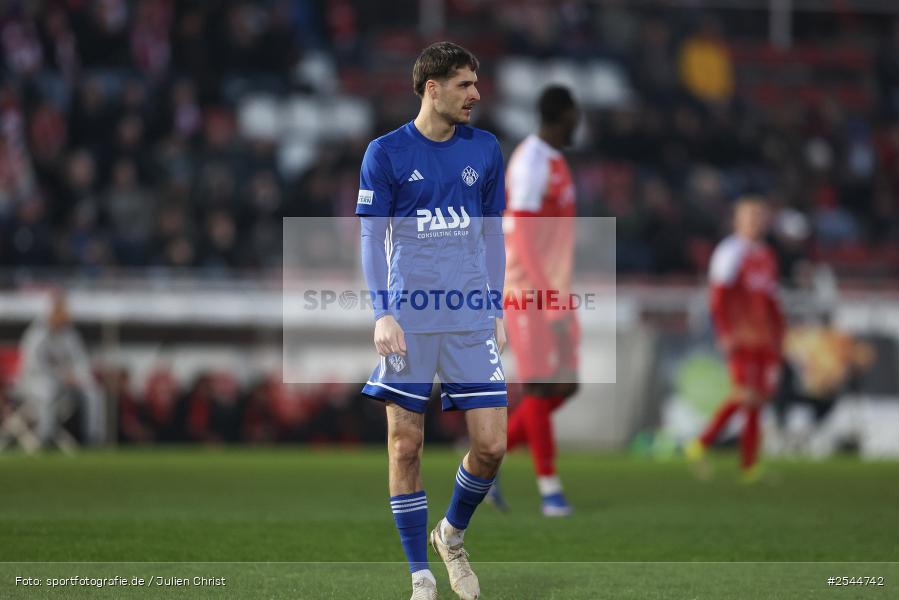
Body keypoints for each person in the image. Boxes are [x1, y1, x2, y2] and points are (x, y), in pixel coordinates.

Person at [356, 42, 507, 600]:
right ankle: (420, 572)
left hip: (468, 315)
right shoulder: (387, 152)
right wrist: (383, 312)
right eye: (465, 84)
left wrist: (494, 307)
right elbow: (372, 237)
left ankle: (453, 534)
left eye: (476, 82)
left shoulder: (486, 149)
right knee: (405, 443)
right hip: (411, 317)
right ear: (432, 88)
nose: (476, 93)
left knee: (492, 446)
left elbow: (494, 235)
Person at [487, 86, 580, 517]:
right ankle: (550, 490)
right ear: (563, 116)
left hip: (555, 285)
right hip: (528, 288)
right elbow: (521, 232)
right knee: (541, 385)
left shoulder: (556, 161)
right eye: (576, 116)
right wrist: (547, 294)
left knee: (566, 384)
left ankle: (487, 459)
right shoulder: (530, 162)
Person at [686, 197, 785, 482]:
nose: (755, 221)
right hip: (740, 334)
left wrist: (779, 333)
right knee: (746, 394)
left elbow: (771, 299)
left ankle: (749, 465)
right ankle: (701, 443)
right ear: (737, 220)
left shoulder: (766, 255)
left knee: (758, 399)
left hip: (763, 336)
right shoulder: (730, 251)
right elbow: (717, 296)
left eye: (760, 216)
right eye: (750, 216)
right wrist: (724, 331)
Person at [17, 292, 106, 447]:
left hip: (65, 384)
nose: (63, 314)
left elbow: (81, 362)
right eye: (59, 310)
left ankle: (93, 438)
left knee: (94, 391)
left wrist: (79, 376)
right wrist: (63, 376)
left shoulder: (70, 335)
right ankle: (46, 437)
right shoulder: (36, 335)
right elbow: (34, 367)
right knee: (47, 390)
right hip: (34, 383)